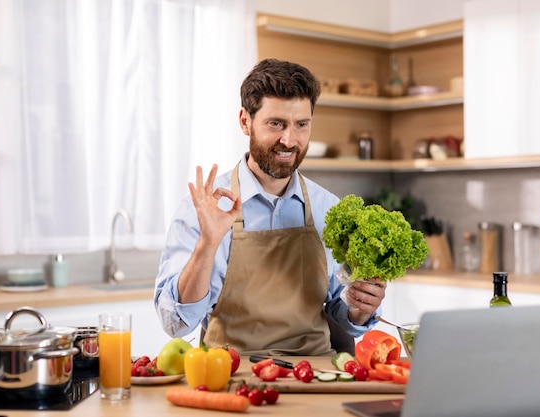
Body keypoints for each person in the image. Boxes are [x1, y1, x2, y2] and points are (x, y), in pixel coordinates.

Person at [154, 58, 386, 356]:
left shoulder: (328, 208)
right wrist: (207, 244)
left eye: (301, 125)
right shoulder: (205, 208)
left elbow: (343, 314)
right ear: (244, 121)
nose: (289, 140)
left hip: (314, 374)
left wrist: (361, 307)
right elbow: (176, 323)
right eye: (276, 123)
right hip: (231, 374)